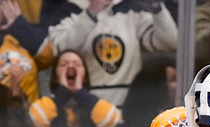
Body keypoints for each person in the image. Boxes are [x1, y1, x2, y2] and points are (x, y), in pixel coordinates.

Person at [0, 0, 177, 109]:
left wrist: (156, 7)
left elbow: (170, 42)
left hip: (130, 110)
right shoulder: (66, 8)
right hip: (82, 111)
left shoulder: (133, 9)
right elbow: (57, 50)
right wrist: (91, 13)